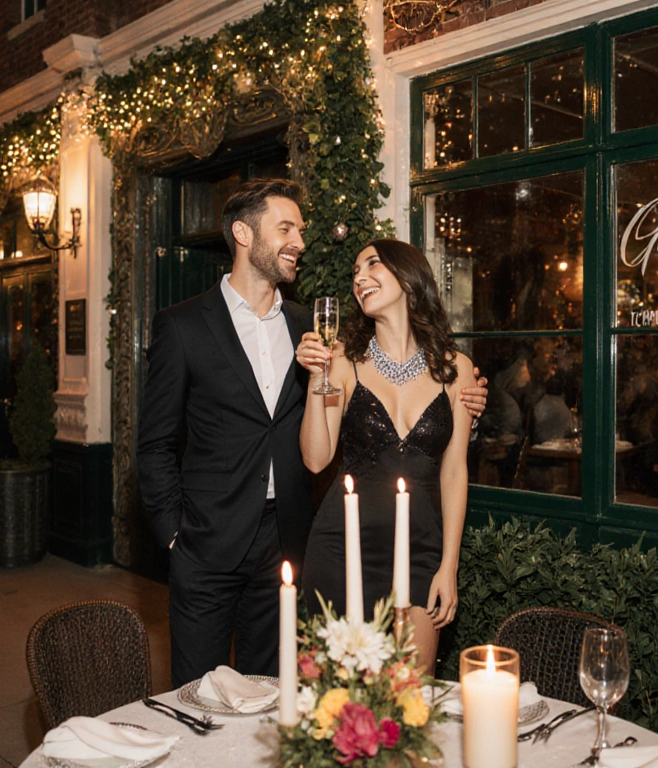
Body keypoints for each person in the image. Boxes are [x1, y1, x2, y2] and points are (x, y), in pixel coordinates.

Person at [138, 181, 487, 688]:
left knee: (274, 693)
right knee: (200, 694)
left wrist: (471, 405)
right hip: (208, 540)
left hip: (287, 541)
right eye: (286, 229)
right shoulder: (184, 325)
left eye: (299, 230)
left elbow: (446, 456)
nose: (300, 242)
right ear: (244, 234)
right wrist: (173, 534)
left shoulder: (309, 326)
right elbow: (155, 443)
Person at [296, 238, 475, 674]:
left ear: (408, 276)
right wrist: (317, 378)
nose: (359, 278)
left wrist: (449, 567)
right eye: (355, 272)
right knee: (343, 697)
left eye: (372, 264)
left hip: (421, 551)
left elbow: (454, 473)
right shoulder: (343, 362)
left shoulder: (458, 370)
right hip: (342, 549)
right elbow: (316, 459)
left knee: (412, 693)